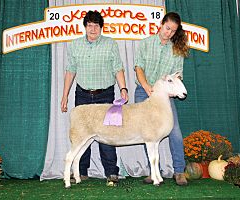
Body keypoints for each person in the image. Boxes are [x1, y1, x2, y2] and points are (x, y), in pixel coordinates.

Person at [61, 10, 129, 185]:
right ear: (84, 26)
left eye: (96, 25)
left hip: (105, 94)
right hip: (82, 94)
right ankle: (81, 172)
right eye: (89, 25)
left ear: (101, 27)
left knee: (108, 133)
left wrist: (123, 88)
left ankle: (112, 172)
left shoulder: (110, 44)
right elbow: (71, 70)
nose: (93, 29)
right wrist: (64, 95)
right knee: (81, 134)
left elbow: (117, 68)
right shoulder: (75, 45)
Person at [134, 12, 189, 186]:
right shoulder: (145, 43)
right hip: (144, 91)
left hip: (164, 96)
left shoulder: (177, 50)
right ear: (161, 24)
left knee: (175, 132)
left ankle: (179, 171)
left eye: (173, 31)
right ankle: (153, 172)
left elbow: (178, 75)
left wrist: (172, 89)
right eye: (167, 28)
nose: (169, 33)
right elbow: (139, 67)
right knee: (147, 133)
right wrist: (146, 86)